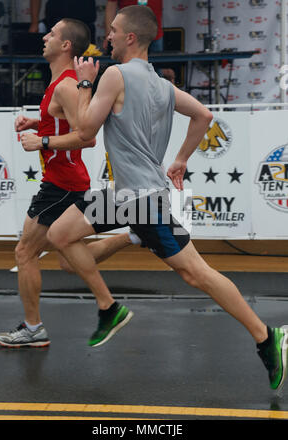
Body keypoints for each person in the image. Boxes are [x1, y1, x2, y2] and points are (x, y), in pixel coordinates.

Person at [45, 6, 288, 390]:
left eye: (112, 30)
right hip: (127, 195)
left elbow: (87, 129)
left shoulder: (113, 75)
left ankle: (266, 336)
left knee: (196, 274)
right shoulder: (161, 84)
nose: (106, 36)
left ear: (129, 38)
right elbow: (204, 115)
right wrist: (180, 160)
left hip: (141, 199)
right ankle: (111, 301)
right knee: (60, 237)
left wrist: (85, 83)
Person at [0, 18, 138, 349]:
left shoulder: (67, 85)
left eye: (52, 34)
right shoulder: (59, 82)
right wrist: (39, 122)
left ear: (65, 46)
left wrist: (41, 143)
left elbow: (86, 138)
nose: (43, 37)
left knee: (24, 252)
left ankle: (34, 328)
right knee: (65, 258)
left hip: (61, 183)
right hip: (64, 181)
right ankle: (133, 234)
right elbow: (66, 123)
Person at [29, 0, 97, 43]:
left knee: (86, 60)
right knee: (56, 58)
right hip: (56, 22)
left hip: (85, 23)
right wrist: (34, 23)